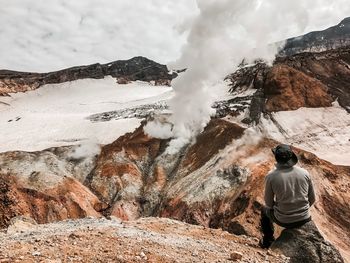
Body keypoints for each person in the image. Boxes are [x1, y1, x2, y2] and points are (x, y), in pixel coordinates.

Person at [260, 144, 316, 248]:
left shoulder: (271, 176)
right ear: (291, 157)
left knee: (264, 210)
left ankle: (268, 240)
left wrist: (283, 208)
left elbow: (269, 204)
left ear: (276, 158)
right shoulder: (304, 173)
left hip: (284, 220)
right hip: (305, 219)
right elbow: (312, 199)